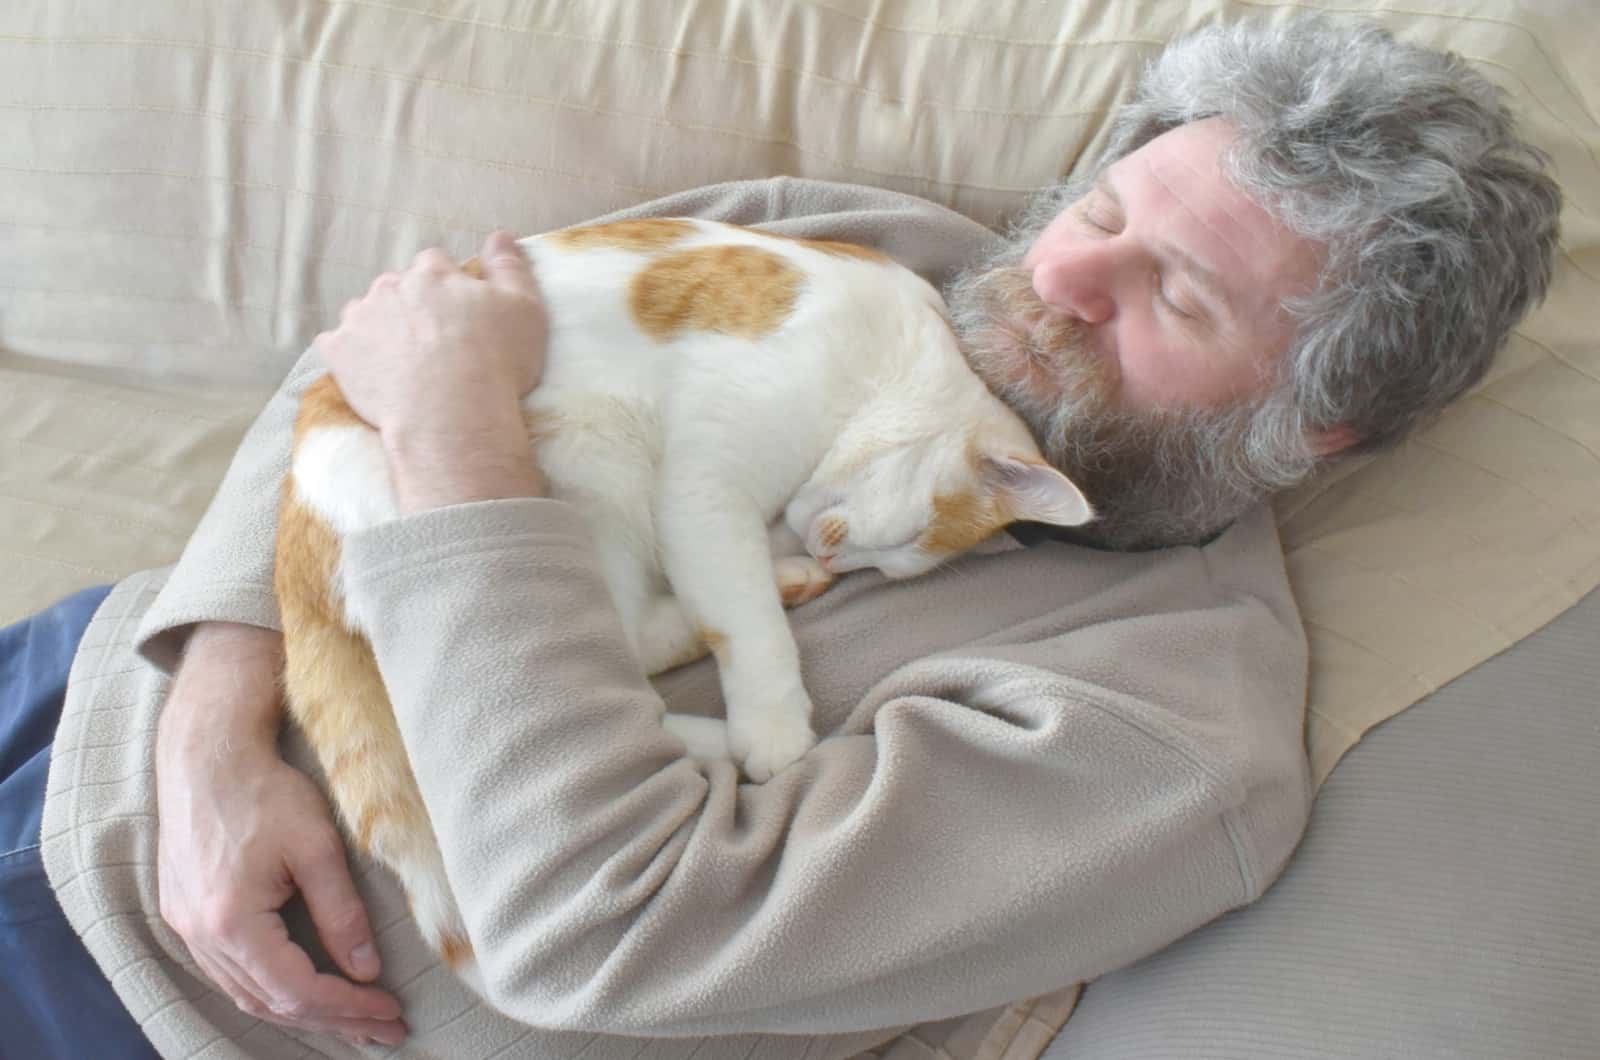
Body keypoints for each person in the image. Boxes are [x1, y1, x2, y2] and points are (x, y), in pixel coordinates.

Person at [7, 15, 1560, 1059]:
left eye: (1183, 299)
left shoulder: (1159, 730)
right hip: (99, 686)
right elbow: (392, 352)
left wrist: (469, 449)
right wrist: (216, 708)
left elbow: (592, 931)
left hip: (171, 990)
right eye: (1105, 217)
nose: (1073, 285)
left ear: (1319, 425)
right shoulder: (859, 241)